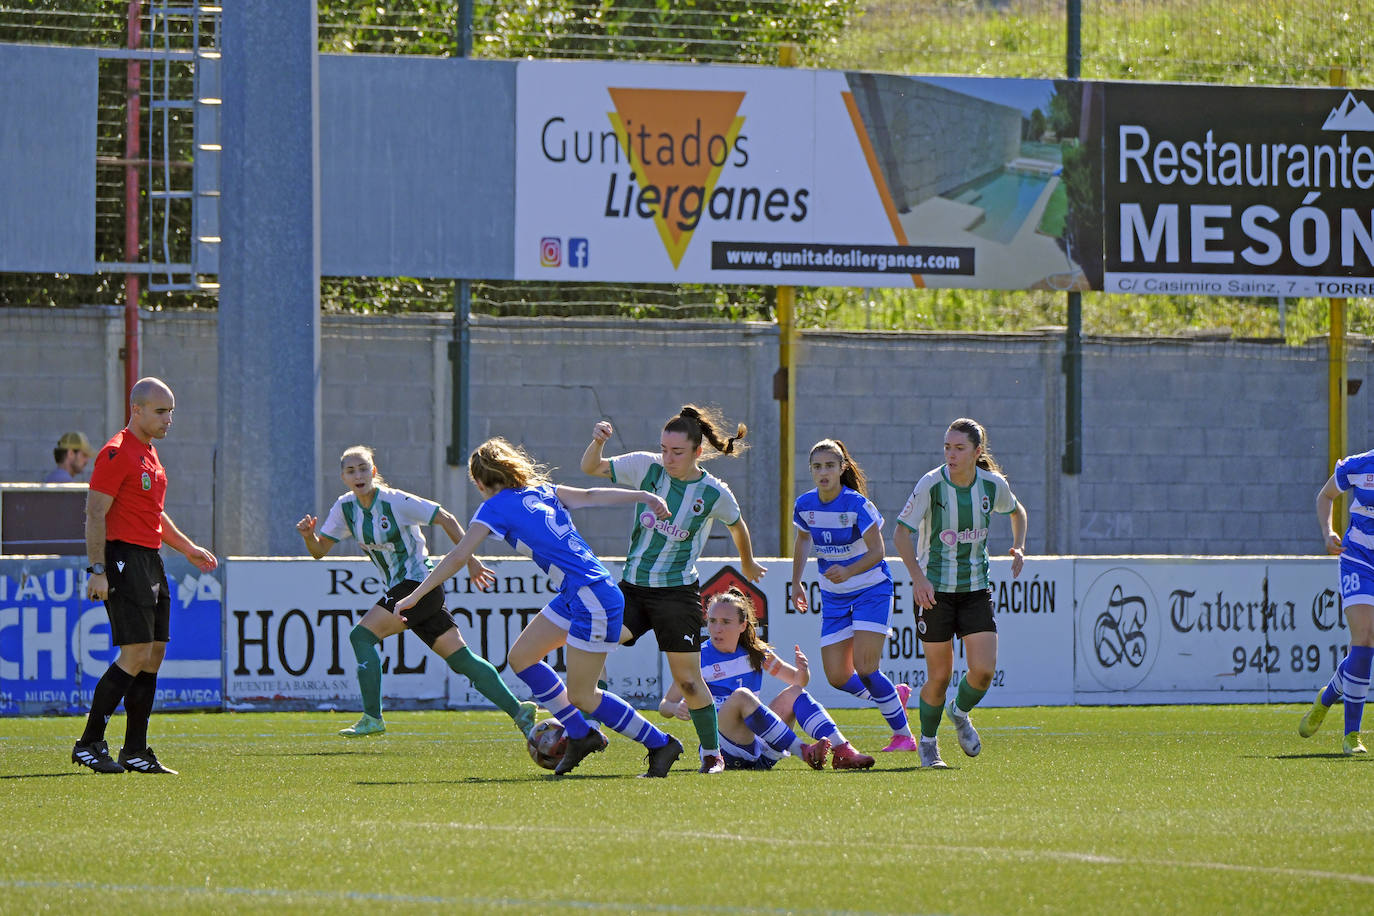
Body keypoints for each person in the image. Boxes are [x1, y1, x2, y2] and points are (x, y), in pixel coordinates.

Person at [396, 437, 685, 778]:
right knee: (521, 658)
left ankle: (660, 743)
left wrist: (416, 595)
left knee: (583, 695)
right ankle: (580, 734)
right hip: (580, 591)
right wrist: (643, 495)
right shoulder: (541, 490)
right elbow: (591, 496)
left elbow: (460, 554)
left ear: (479, 482)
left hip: (591, 596)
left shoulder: (494, 506)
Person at [296, 445, 537, 740]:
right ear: (343, 476)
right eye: (350, 470)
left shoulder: (396, 501)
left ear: (373, 472)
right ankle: (520, 712)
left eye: (363, 468)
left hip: (418, 585)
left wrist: (471, 561)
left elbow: (446, 518)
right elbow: (320, 551)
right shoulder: (345, 508)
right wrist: (309, 537)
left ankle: (372, 717)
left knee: (361, 636)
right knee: (462, 660)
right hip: (412, 591)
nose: (358, 475)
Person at [580, 406, 765, 774]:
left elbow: (737, 524)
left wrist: (746, 562)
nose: (668, 458)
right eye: (664, 449)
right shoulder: (645, 467)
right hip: (633, 587)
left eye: (677, 452)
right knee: (594, 641)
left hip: (677, 594)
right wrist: (597, 442)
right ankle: (588, 728)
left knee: (688, 681)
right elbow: (591, 468)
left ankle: (712, 754)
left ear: (698, 452)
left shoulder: (714, 492)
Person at [72, 377, 218, 775]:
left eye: (171, 411)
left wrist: (187, 548)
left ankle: (135, 749)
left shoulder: (149, 455)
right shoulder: (117, 453)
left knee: (153, 653)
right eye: (160, 411)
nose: (169, 419)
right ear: (136, 410)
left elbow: (152, 515)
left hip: (150, 558)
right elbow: (95, 513)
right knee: (135, 652)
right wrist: (98, 570)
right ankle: (88, 743)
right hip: (122, 559)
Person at [894, 418, 1027, 769]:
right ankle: (927, 745)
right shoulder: (932, 484)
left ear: (977, 452)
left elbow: (1018, 512)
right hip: (934, 593)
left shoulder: (991, 485)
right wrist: (918, 579)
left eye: (959, 448)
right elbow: (900, 534)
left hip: (975, 590)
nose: (951, 454)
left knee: (983, 671)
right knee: (939, 676)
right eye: (947, 447)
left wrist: (1019, 546)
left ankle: (960, 712)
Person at [790, 438, 916, 754]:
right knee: (836, 676)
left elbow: (878, 551)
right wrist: (796, 583)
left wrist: (849, 571)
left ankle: (904, 736)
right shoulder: (805, 505)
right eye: (817, 467)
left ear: (842, 468)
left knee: (866, 668)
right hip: (834, 597)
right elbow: (803, 541)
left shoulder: (857, 504)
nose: (823, 472)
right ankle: (890, 697)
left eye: (830, 466)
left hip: (871, 591)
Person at [659, 588, 875, 770]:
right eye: (713, 621)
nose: (717, 628)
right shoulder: (698, 657)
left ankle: (843, 750)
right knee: (742, 696)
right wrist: (676, 708)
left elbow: (798, 681)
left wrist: (803, 671)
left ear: (742, 625)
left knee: (796, 693)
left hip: (761, 748)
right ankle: (803, 750)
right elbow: (665, 705)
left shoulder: (756, 652)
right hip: (723, 749)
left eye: (726, 621)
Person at [1299, 455, 1374, 755]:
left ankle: (1327, 696)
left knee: (1366, 644)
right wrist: (1327, 531)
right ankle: (1351, 736)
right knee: (1364, 639)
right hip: (1358, 558)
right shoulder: (1359, 466)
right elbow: (1326, 495)